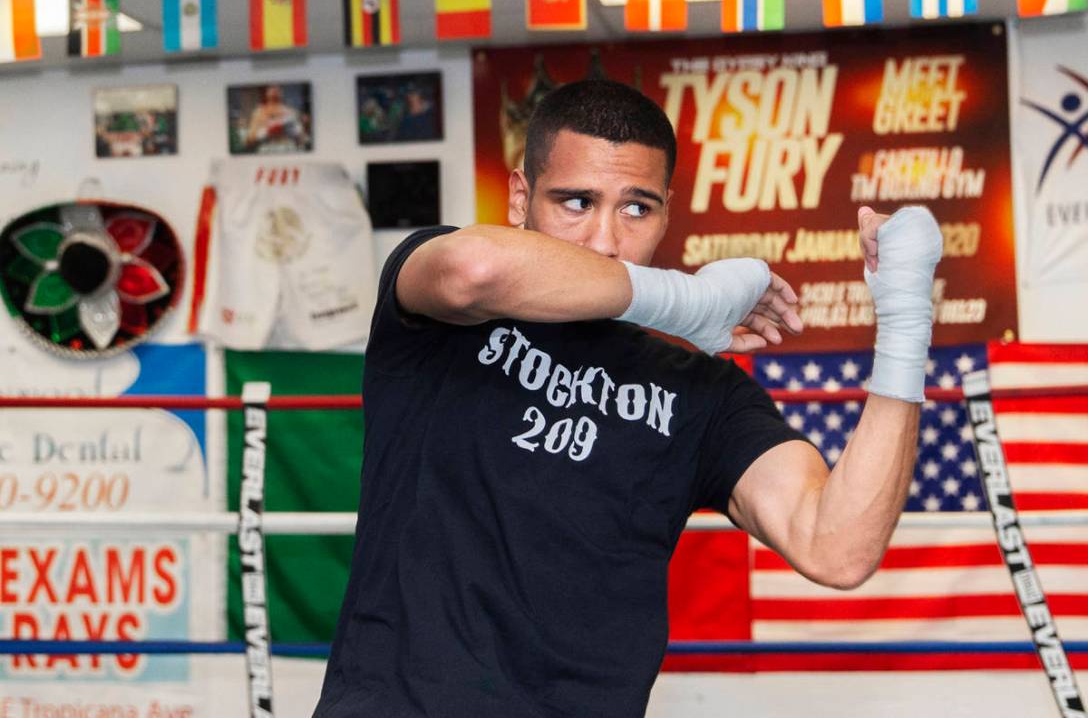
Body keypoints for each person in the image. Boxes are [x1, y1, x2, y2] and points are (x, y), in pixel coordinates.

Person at [314, 79, 943, 718]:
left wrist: (905, 317)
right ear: (519, 198)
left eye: (636, 209)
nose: (607, 239)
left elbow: (836, 547)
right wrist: (685, 298)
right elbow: (475, 270)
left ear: (668, 212)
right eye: (577, 201)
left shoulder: (701, 391)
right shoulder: (442, 314)